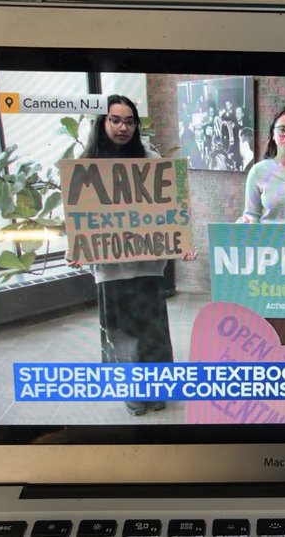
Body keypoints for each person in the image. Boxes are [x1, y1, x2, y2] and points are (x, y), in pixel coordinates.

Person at [67, 95, 197, 416]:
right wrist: (76, 246)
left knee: (152, 331)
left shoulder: (151, 160)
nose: (123, 127)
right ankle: (132, 393)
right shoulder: (86, 164)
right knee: (122, 332)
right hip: (110, 268)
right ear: (103, 122)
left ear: (136, 124)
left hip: (148, 266)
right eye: (115, 120)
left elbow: (174, 207)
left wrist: (182, 240)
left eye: (129, 121)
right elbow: (74, 212)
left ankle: (156, 390)